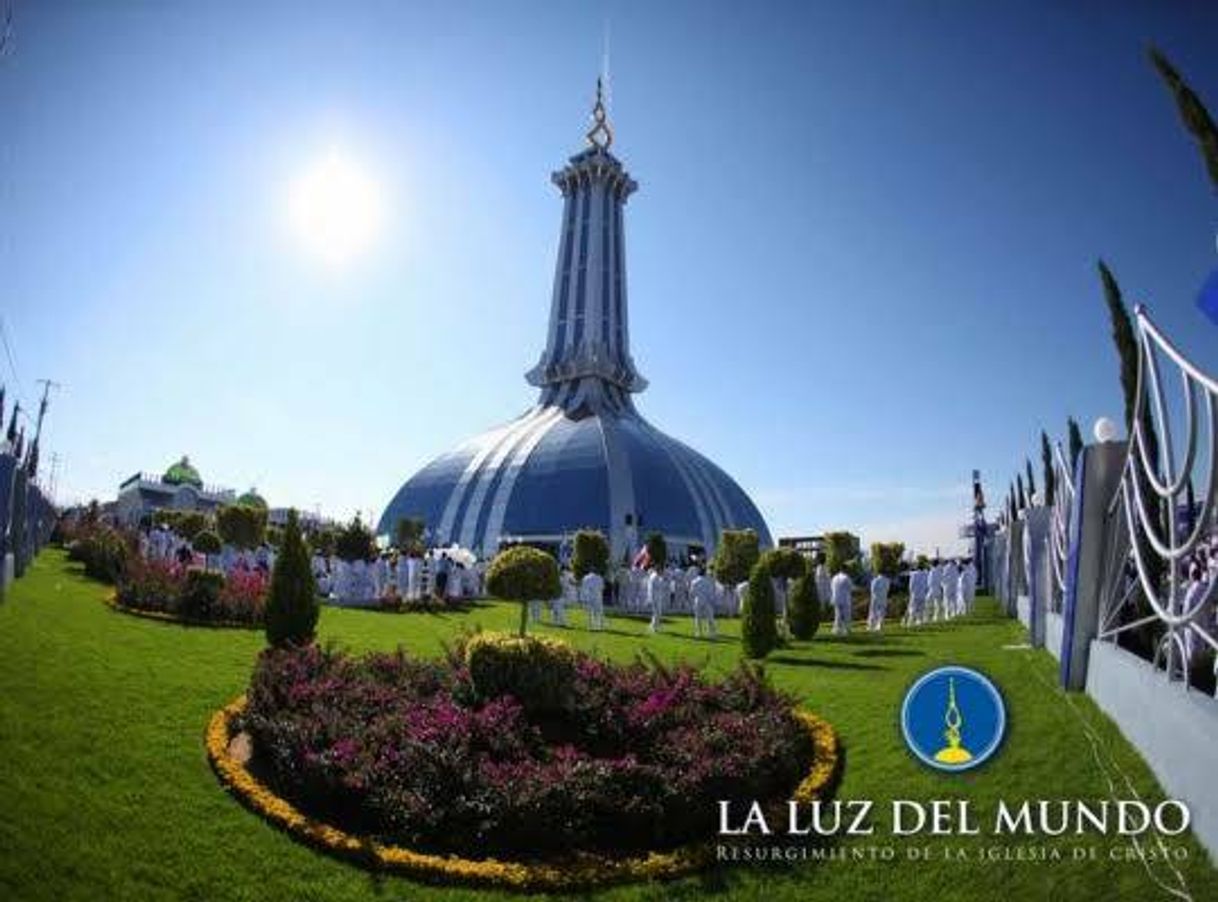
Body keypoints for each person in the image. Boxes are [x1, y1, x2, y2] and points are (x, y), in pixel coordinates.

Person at [690, 569, 718, 638]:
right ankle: (712, 632)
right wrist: (711, 600)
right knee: (710, 617)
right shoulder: (708, 581)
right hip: (706, 600)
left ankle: (699, 632)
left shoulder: (694, 581)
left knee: (698, 617)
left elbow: (692, 592)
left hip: (698, 600)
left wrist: (695, 597)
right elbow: (711, 592)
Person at [830, 569, 853, 635]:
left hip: (836, 598)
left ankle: (836, 629)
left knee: (837, 615)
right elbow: (850, 587)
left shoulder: (834, 577)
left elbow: (831, 587)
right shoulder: (846, 577)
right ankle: (846, 629)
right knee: (846, 614)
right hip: (844, 598)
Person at [647, 567, 666, 633]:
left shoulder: (658, 576)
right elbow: (652, 588)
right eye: (661, 571)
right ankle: (654, 627)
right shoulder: (654, 577)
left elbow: (661, 586)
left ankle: (654, 625)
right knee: (656, 613)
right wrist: (651, 598)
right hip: (654, 597)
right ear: (658, 570)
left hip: (658, 597)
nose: (662, 572)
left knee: (658, 613)